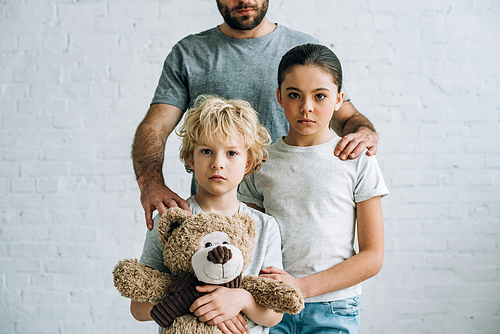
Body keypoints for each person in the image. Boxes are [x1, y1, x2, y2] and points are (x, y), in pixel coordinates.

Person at [132, 0, 380, 230]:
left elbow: (346, 118)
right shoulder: (189, 54)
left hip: (287, 216)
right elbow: (156, 126)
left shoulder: (302, 53)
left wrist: (364, 133)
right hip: (214, 219)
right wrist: (150, 183)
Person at [237, 43, 389, 334]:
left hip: (334, 308)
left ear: (339, 99)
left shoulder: (358, 160)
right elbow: (248, 245)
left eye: (320, 96)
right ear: (279, 97)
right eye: (294, 95)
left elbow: (373, 256)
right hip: (269, 307)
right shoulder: (259, 163)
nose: (306, 107)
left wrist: (301, 287)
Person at [130, 95, 284, 334]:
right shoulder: (171, 220)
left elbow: (274, 314)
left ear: (248, 162)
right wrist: (199, 303)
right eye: (206, 151)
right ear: (190, 157)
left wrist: (241, 300)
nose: (217, 163)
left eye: (231, 153)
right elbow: (138, 308)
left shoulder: (264, 226)